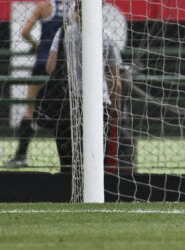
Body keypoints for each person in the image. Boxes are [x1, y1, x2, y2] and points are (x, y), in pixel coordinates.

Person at [4, 0, 74, 169]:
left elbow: (25, 30)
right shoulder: (77, 8)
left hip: (43, 63)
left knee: (31, 109)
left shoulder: (45, 6)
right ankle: (74, 156)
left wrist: (36, 45)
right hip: (66, 67)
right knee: (67, 110)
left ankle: (21, 156)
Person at [36, 18, 122, 174]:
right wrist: (116, 107)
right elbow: (115, 79)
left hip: (69, 101)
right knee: (97, 161)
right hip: (99, 103)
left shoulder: (64, 33)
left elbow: (50, 67)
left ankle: (68, 193)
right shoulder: (105, 35)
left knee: (68, 162)